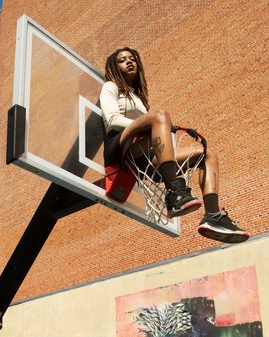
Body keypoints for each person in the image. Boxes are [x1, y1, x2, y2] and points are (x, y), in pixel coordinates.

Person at [100, 47, 249, 244]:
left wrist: (157, 131)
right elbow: (112, 120)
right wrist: (151, 126)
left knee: (207, 154)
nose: (129, 61)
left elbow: (158, 135)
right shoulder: (111, 87)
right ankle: (176, 191)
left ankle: (213, 216)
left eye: (133, 58)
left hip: (143, 156)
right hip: (119, 146)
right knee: (160, 115)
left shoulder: (139, 99)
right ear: (114, 66)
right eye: (122, 60)